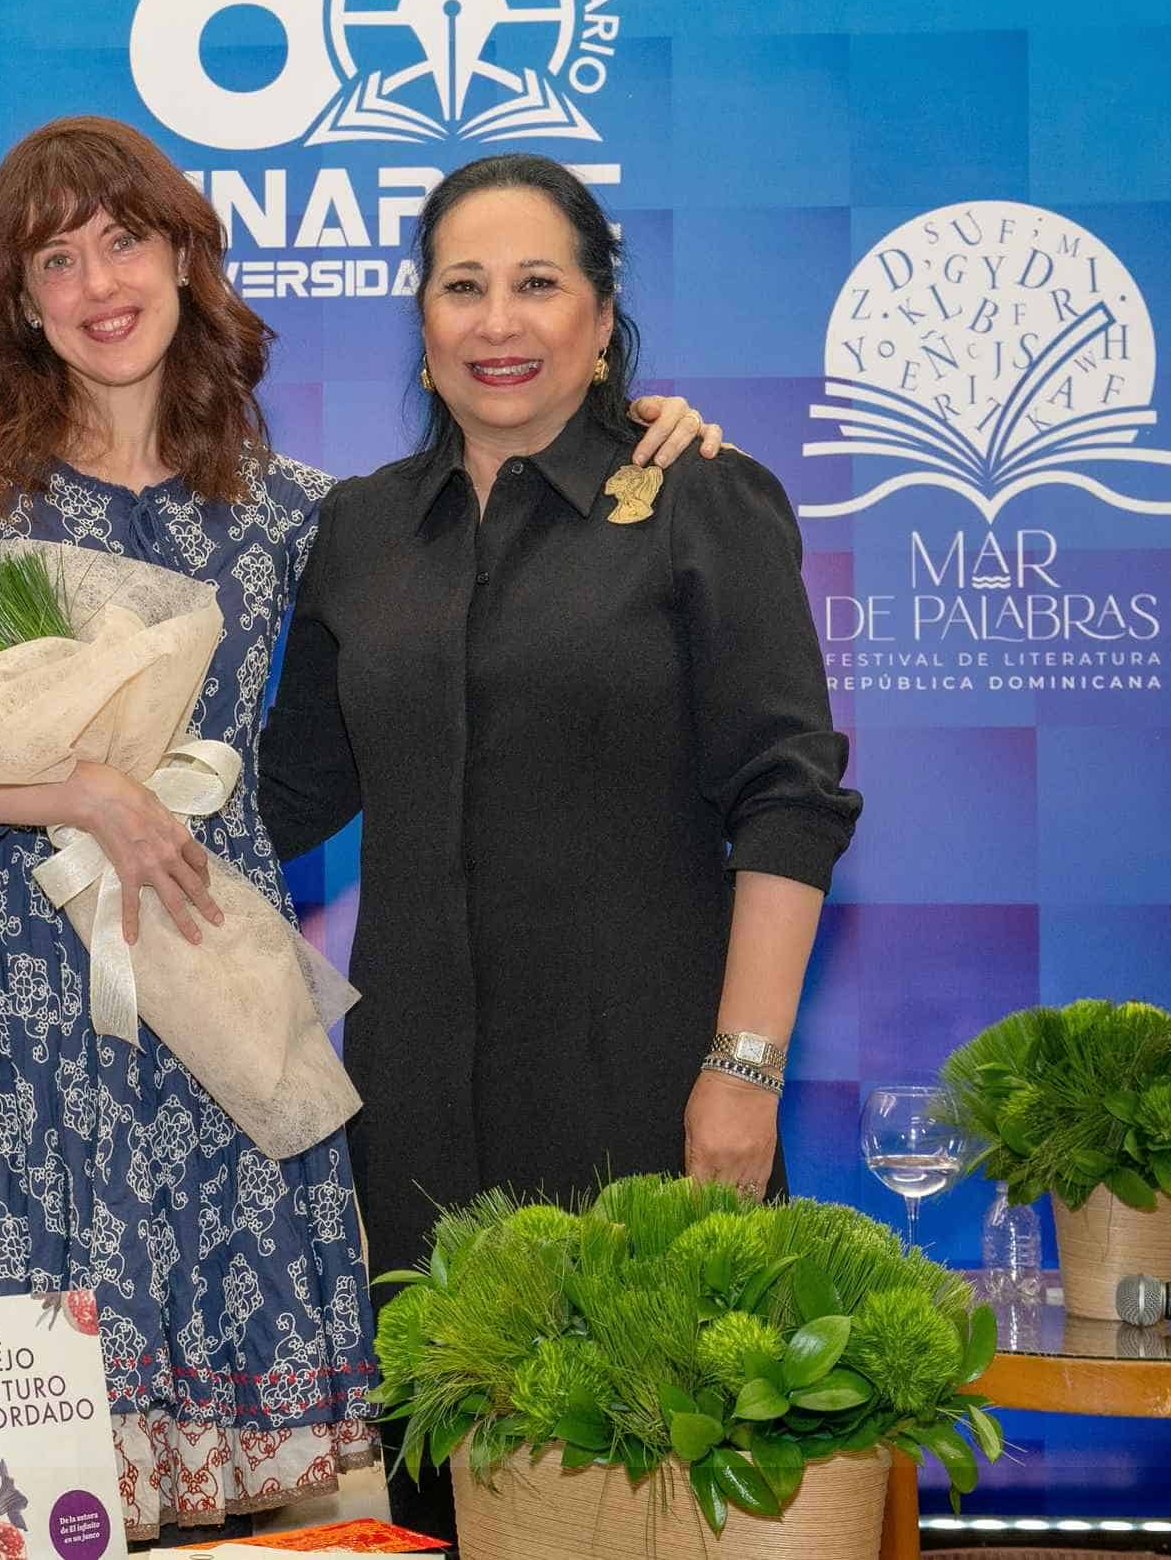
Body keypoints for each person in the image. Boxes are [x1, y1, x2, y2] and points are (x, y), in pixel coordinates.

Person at [0, 119, 714, 1539]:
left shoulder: (295, 514)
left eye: (125, 240)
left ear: (183, 258)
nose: (99, 282)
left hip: (203, 1010)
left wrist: (655, 432)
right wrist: (85, 791)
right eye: (57, 257)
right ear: (19, 298)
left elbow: (417, 660)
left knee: (208, 1513)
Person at [258, 153, 859, 1531]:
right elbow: (278, 800)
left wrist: (743, 1071)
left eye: (538, 283)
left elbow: (789, 799)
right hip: (415, 1141)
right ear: (418, 318)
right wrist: (70, 778)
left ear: (601, 316)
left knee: (651, 1517)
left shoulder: (705, 500)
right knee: (446, 1517)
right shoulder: (356, 534)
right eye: (462, 286)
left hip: (646, 1113)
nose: (498, 321)